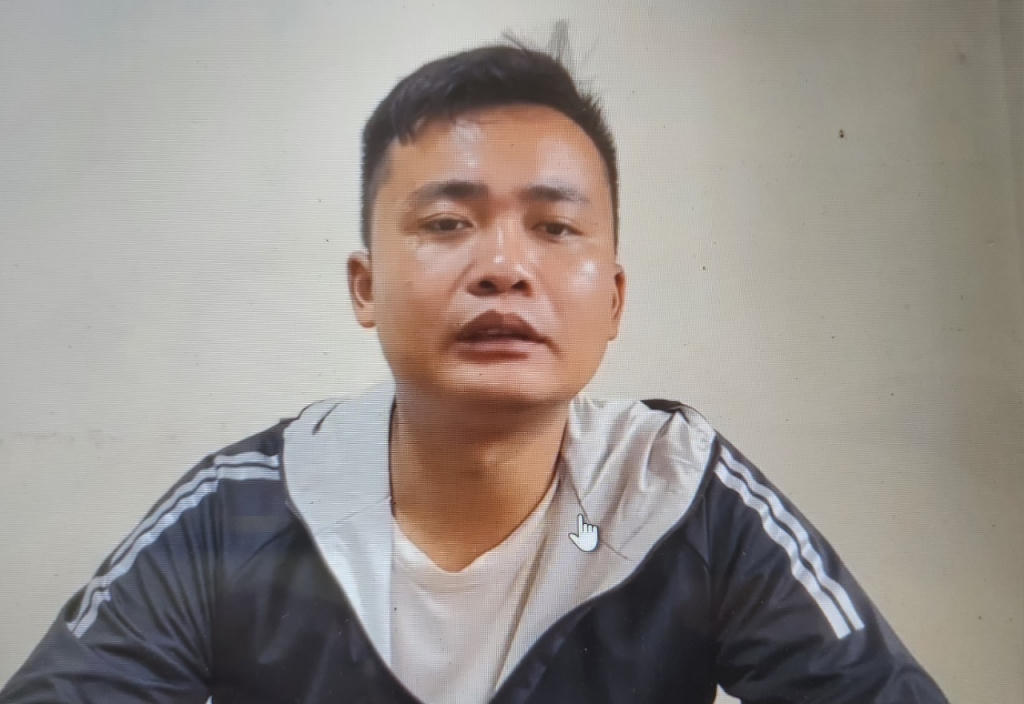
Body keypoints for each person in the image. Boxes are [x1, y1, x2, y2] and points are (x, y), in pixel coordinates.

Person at [0, 40, 949, 704]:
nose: (503, 266)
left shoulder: (679, 491)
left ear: (614, 300)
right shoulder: (241, 509)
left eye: (555, 226)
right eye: (448, 223)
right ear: (365, 287)